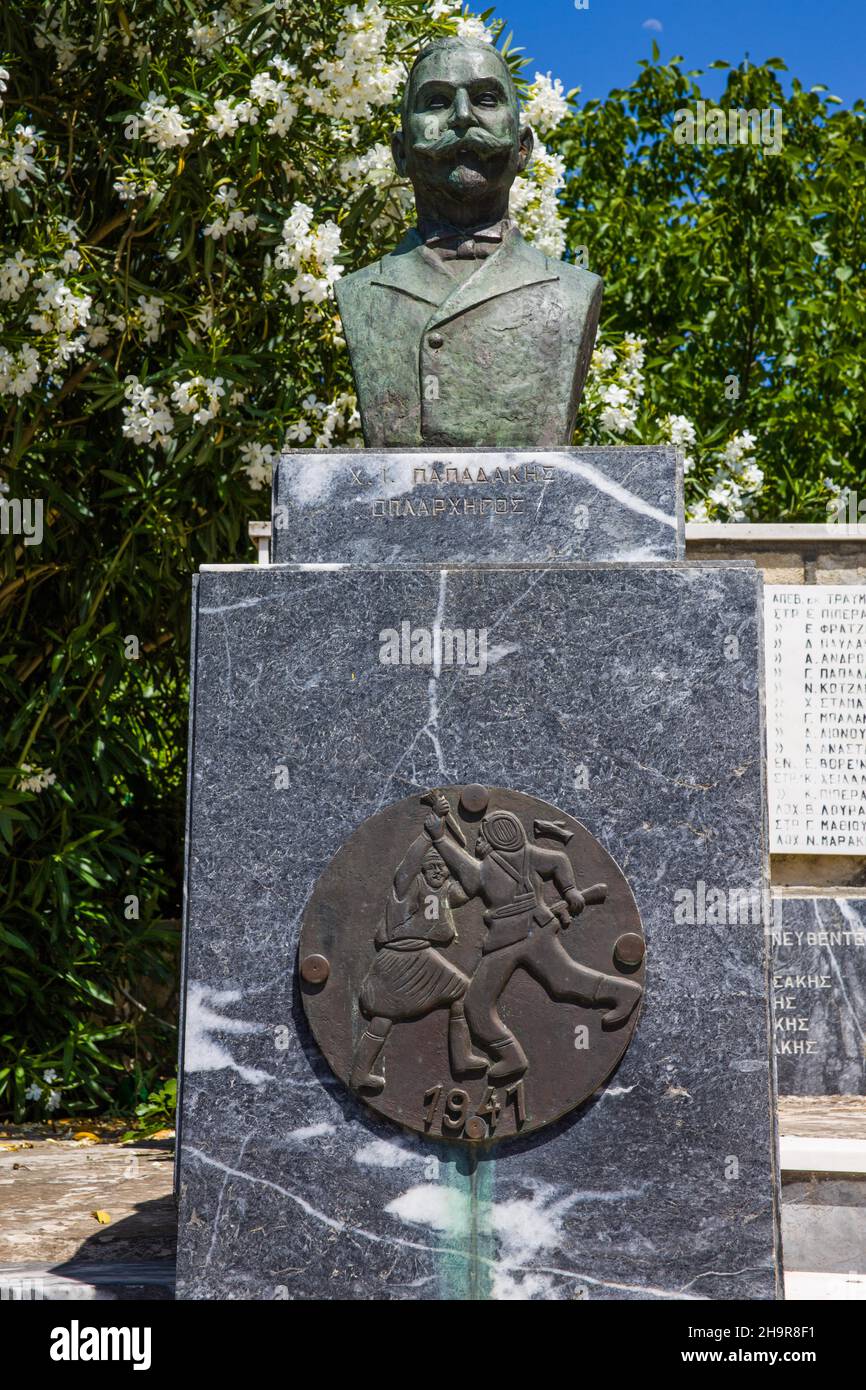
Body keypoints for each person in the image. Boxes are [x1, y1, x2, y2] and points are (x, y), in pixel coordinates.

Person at [423, 797, 642, 1083]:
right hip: (525, 932)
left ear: (491, 838)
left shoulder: (491, 867)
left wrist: (439, 838)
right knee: (562, 980)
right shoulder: (520, 856)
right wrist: (570, 889)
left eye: (483, 835)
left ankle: (512, 1057)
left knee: (478, 1004)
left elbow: (468, 871)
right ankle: (621, 993)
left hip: (514, 937)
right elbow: (559, 860)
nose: (479, 841)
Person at [350, 831, 487, 1093]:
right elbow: (406, 866)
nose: (438, 871)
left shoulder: (444, 893)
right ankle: (359, 1074)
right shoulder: (407, 887)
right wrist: (427, 835)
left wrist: (446, 845)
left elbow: (473, 883)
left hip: (422, 957)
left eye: (443, 867)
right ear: (423, 868)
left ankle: (461, 1057)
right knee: (383, 1015)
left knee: (462, 992)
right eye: (432, 866)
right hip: (398, 958)